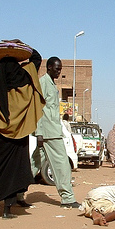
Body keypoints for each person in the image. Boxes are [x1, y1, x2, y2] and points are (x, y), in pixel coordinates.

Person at [0, 49, 44, 219]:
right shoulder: (25, 81)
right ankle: (7, 210)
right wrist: (23, 48)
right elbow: (36, 59)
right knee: (13, 172)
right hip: (17, 136)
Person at [31, 57, 79, 209]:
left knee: (34, 164)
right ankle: (68, 198)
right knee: (62, 164)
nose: (59, 72)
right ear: (49, 67)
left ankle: (16, 193)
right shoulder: (43, 83)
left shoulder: (51, 85)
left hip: (51, 130)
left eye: (60, 69)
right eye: (57, 69)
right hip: (48, 132)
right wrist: (39, 132)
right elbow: (37, 108)